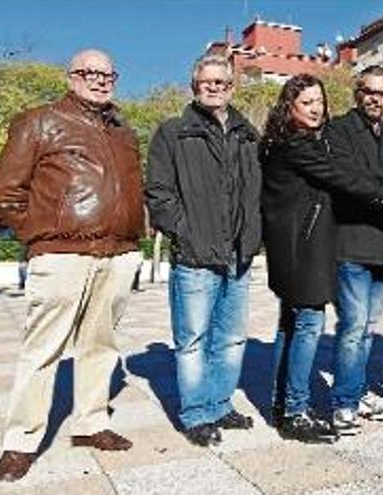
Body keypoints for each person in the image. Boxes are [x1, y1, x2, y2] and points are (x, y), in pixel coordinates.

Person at [0, 49, 143, 482]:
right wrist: (41, 237)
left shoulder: (124, 131)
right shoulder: (38, 121)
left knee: (101, 346)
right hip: (61, 255)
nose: (99, 80)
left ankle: (91, 424)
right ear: (71, 76)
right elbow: (7, 189)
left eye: (107, 73)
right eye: (89, 72)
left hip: (117, 254)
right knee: (42, 351)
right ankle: (20, 441)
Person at [262, 74, 383, 443]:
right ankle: (296, 412)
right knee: (306, 327)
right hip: (302, 248)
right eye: (307, 103)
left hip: (300, 245)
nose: (316, 108)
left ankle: (283, 403)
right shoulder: (297, 146)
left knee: (293, 327)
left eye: (319, 101)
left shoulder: (299, 141)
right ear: (290, 106)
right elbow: (345, 179)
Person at [145, 54, 263, 447]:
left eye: (222, 82)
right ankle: (196, 413)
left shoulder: (248, 135)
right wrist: (184, 231)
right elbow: (159, 193)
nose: (214, 87)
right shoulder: (173, 132)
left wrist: (254, 235)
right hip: (195, 255)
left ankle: (220, 403)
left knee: (231, 338)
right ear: (194, 85)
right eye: (206, 81)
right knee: (193, 338)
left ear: (232, 87)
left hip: (238, 255)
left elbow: (259, 193)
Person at [326, 66, 383, 435]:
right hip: (351, 243)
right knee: (353, 327)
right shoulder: (339, 129)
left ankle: (357, 391)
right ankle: (343, 402)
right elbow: (349, 182)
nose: (376, 99)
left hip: (382, 247)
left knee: (369, 328)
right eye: (370, 91)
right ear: (359, 93)